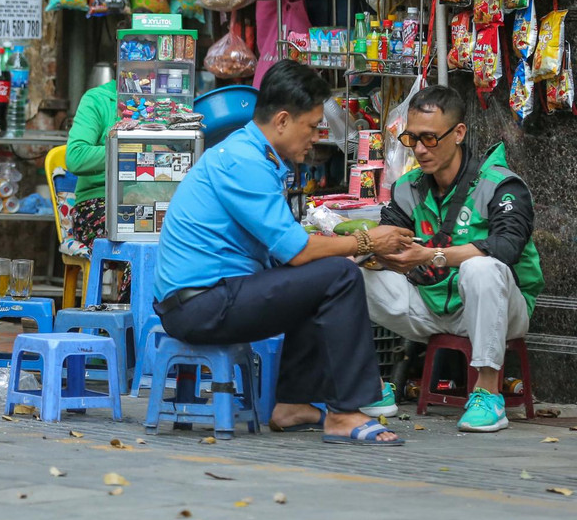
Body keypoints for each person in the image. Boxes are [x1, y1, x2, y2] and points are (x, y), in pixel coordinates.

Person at [153, 61, 413, 446]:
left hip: (216, 295)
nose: (314, 137)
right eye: (311, 126)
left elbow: (290, 248)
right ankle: (344, 413)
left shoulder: (259, 157)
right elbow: (297, 251)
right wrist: (368, 241)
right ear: (282, 121)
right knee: (339, 277)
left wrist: (346, 249)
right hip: (199, 304)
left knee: (327, 272)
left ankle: (291, 405)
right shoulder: (243, 160)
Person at [363, 85, 543, 433]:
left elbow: (506, 248)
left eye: (429, 138)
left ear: (458, 133)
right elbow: (390, 239)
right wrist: (375, 253)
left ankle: (488, 393)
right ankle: (368, 383)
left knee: (482, 267)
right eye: (411, 138)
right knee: (347, 274)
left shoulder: (502, 185)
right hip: (430, 307)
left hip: (501, 309)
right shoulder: (407, 187)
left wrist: (432, 255)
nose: (418, 149)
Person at [65, 79, 117, 248]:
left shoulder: (170, 104)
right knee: (131, 242)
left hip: (154, 199)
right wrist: (132, 151)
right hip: (101, 200)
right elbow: (76, 157)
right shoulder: (98, 99)